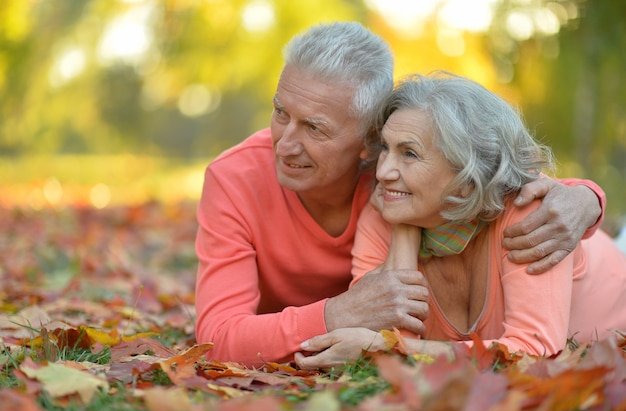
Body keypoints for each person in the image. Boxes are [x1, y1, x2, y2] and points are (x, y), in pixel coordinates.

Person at [195, 22, 606, 367]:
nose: (283, 144)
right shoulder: (237, 179)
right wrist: (341, 313)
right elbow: (216, 338)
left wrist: (587, 198)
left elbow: (499, 173)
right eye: (280, 112)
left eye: (315, 128)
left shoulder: (394, 179)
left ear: (367, 142)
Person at [294, 72, 626, 370]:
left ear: (467, 177)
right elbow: (391, 335)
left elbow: (534, 353)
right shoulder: (384, 215)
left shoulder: (528, 215)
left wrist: (389, 349)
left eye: (409, 153)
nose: (382, 173)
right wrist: (404, 233)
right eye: (385, 148)